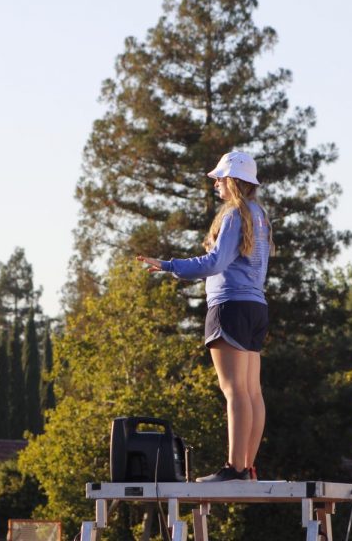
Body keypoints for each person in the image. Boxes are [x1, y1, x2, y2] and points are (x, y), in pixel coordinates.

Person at [137, 151, 272, 483]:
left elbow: (214, 263)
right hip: (256, 307)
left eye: (219, 178)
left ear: (232, 180)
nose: (215, 184)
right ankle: (248, 469)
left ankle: (234, 469)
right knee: (252, 392)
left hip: (230, 306)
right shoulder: (260, 216)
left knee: (234, 392)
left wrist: (170, 265)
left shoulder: (234, 215)